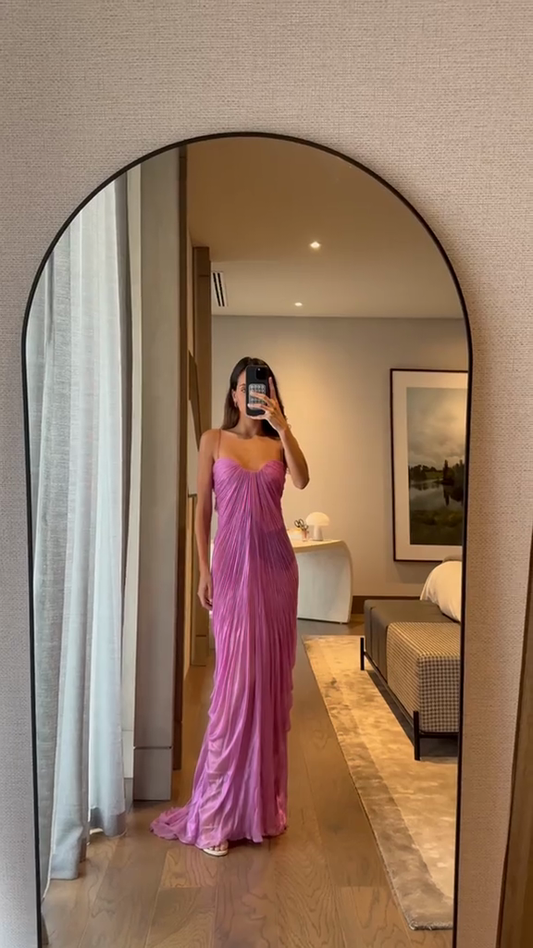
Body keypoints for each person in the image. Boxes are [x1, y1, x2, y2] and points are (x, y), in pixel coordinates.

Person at [151, 357, 309, 856]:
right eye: (247, 386)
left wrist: (285, 427)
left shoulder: (277, 443)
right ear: (234, 393)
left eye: (264, 387)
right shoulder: (213, 440)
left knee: (268, 686)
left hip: (277, 572)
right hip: (233, 573)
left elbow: (302, 481)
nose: (255, 394)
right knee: (233, 688)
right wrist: (204, 570)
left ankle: (259, 808)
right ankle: (217, 814)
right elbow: (203, 510)